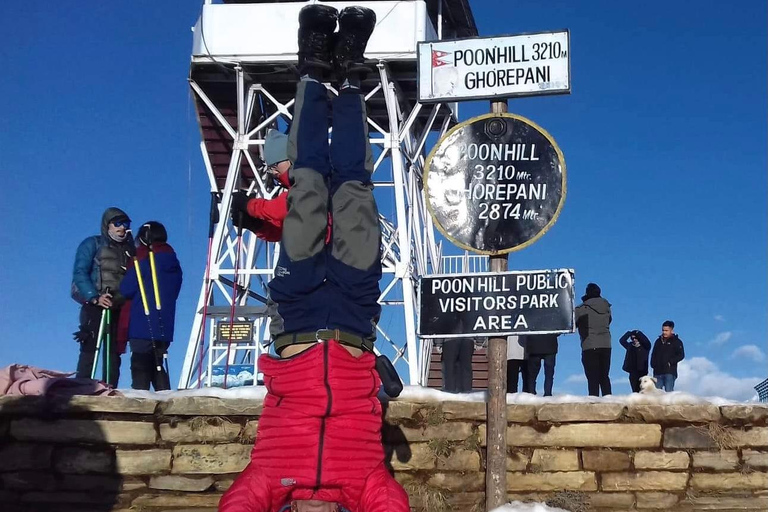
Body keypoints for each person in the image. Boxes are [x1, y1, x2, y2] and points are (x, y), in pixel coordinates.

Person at [221, 5, 409, 512]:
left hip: (299, 309)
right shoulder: (364, 485)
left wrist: (250, 212)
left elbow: (235, 505)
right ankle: (350, 74)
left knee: (306, 183)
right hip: (353, 309)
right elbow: (392, 503)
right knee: (354, 185)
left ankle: (311, 67)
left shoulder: (266, 480)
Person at [71, 207, 135, 387]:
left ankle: (110, 389)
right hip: (95, 306)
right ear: (107, 225)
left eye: (126, 224)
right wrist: (94, 297)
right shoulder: (92, 244)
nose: (122, 228)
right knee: (90, 348)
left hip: (119, 307)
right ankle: (81, 390)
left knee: (114, 353)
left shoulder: (130, 250)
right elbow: (80, 273)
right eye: (118, 223)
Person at [119, 222, 183, 391]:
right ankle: (166, 400)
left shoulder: (147, 261)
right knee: (158, 365)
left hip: (142, 321)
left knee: (140, 366)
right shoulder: (174, 265)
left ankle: (140, 402)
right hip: (164, 325)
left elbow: (126, 288)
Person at [230, 129, 291, 242]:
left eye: (274, 165)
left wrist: (248, 204)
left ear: (289, 160)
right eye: (270, 168)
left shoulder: (310, 181)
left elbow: (284, 207)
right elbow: (280, 232)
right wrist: (255, 225)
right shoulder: (293, 190)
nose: (274, 172)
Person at [575, 283, 613, 396]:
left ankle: (594, 401)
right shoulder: (606, 307)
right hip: (606, 344)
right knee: (604, 376)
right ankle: (609, 400)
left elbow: (573, 322)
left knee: (592, 377)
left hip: (590, 344)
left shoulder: (582, 308)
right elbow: (609, 321)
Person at [650, 320, 685, 392]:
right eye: (663, 330)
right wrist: (653, 364)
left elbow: (681, 355)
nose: (664, 332)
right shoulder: (658, 341)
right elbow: (653, 354)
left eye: (666, 330)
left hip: (669, 372)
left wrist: (670, 362)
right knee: (656, 393)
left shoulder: (677, 341)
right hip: (657, 372)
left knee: (668, 393)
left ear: (671, 330)